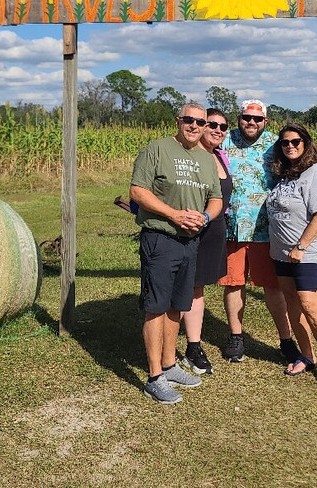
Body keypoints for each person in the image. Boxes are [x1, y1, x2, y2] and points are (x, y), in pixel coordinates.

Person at [130, 103, 223, 404]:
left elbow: (216, 198)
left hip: (191, 240)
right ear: (178, 121)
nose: (195, 126)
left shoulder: (207, 159)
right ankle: (154, 376)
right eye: (189, 120)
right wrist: (174, 215)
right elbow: (137, 191)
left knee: (177, 305)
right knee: (156, 306)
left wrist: (205, 218)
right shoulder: (156, 150)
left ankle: (170, 365)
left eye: (201, 122)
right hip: (161, 237)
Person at [218, 98, 303, 365]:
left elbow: (301, 160)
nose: (251, 123)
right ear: (239, 119)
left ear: (265, 121)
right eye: (246, 118)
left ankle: (286, 340)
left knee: (272, 286)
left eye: (256, 119)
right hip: (231, 227)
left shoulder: (277, 145)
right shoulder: (224, 140)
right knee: (233, 283)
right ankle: (235, 336)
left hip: (267, 230)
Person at [267, 123, 317, 388]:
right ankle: (307, 355)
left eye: (296, 141)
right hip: (281, 252)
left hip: (307, 252)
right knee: (292, 304)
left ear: (306, 143)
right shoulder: (284, 174)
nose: (290, 146)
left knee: (309, 305)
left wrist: (301, 247)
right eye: (285, 142)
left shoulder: (315, 173)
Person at [179, 108, 232, 375]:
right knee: (183, 287)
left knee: (198, 287)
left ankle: (193, 345)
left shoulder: (221, 155)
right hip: (188, 228)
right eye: (211, 124)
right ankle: (174, 349)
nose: (217, 130)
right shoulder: (187, 155)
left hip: (214, 228)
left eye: (223, 127)